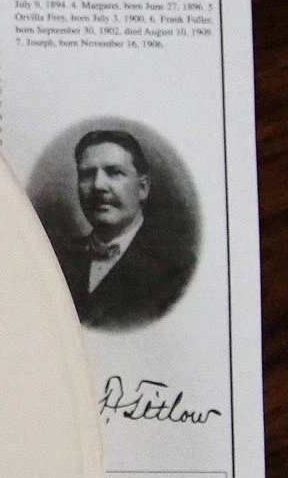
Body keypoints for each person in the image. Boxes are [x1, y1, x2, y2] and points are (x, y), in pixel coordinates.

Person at [51, 128, 196, 330]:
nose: (99, 185)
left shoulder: (175, 268)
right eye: (87, 174)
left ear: (143, 188)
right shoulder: (56, 261)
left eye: (114, 172)